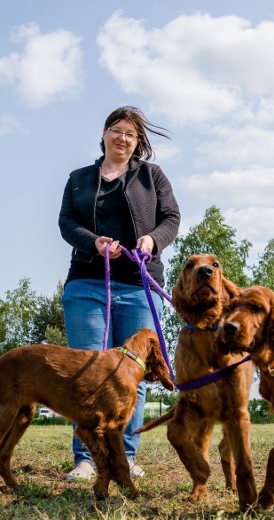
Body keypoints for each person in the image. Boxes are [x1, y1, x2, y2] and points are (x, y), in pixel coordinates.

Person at [58, 106, 181, 481]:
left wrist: (152, 240)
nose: (123, 138)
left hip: (138, 285)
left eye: (130, 133)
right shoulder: (79, 178)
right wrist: (94, 242)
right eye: (117, 130)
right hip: (87, 283)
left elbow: (171, 218)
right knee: (88, 371)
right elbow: (66, 222)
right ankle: (87, 458)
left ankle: (125, 456)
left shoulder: (152, 176)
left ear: (138, 142)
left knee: (132, 374)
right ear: (105, 133)